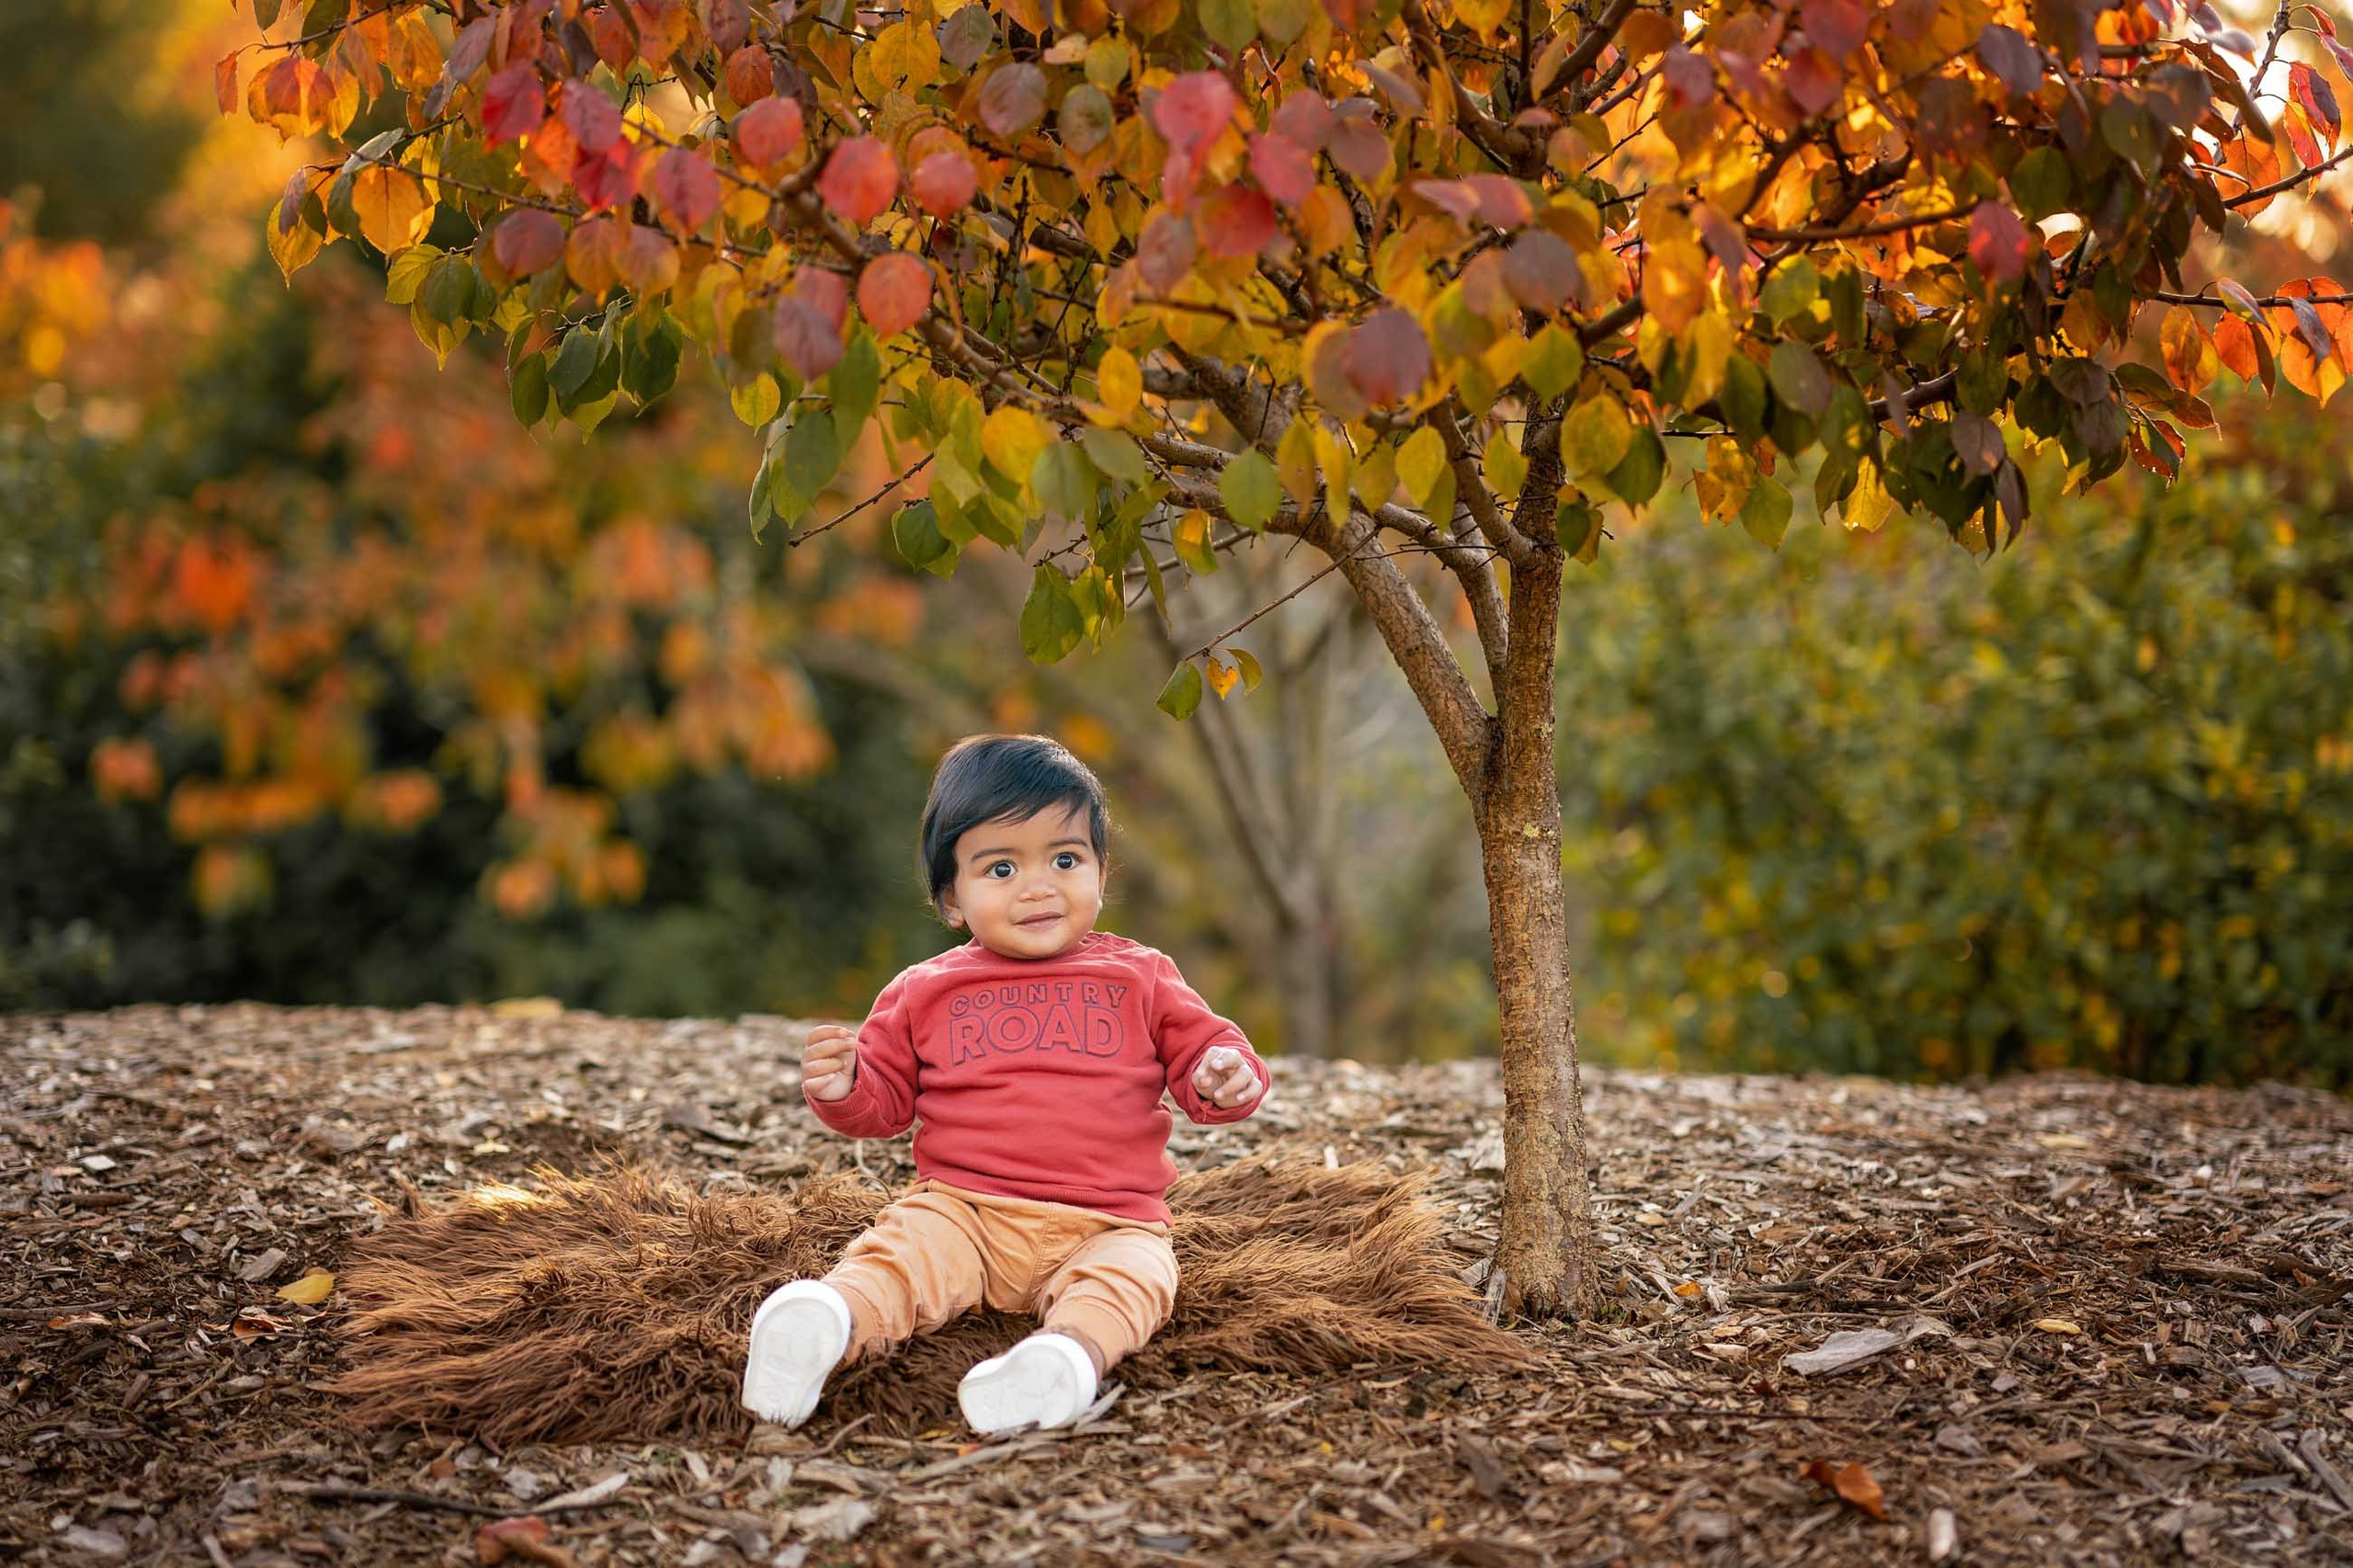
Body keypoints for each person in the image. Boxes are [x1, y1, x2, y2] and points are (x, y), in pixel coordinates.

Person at [742, 733, 1271, 1436]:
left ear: (1101, 872)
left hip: (1109, 1221)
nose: (1038, 886)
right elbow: (886, 1102)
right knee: (901, 1258)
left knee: (1136, 1279)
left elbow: (1204, 1049)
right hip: (966, 1211)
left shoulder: (1140, 975)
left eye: (1064, 858)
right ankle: (824, 1326)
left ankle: (1060, 1362)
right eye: (1000, 868)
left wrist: (1223, 1073)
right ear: (951, 899)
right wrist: (844, 1088)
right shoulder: (924, 991)